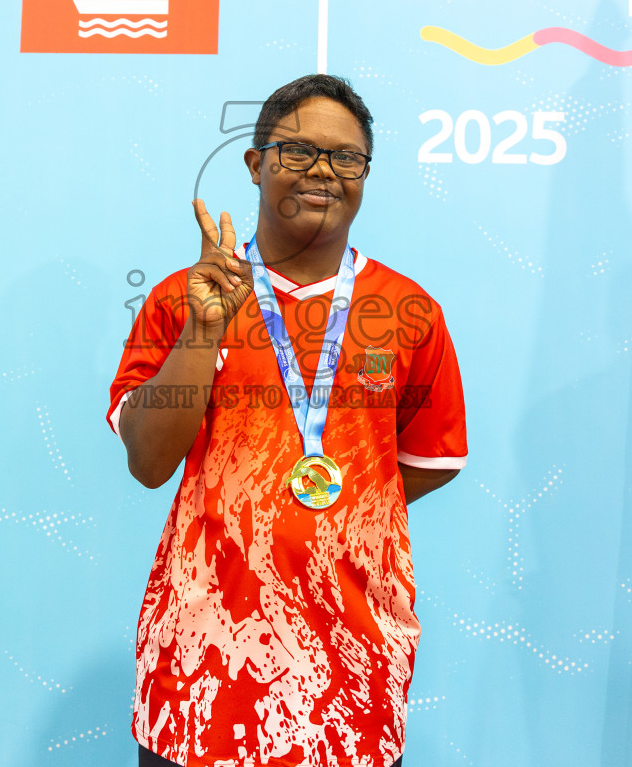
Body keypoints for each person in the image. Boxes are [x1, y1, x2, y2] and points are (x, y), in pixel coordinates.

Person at [106, 74, 467, 767]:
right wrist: (204, 332)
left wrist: (323, 510)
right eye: (297, 152)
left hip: (350, 677)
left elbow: (418, 466)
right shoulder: (183, 300)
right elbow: (149, 462)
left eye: (346, 157)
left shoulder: (411, 312)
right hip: (200, 669)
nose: (323, 172)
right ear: (255, 164)